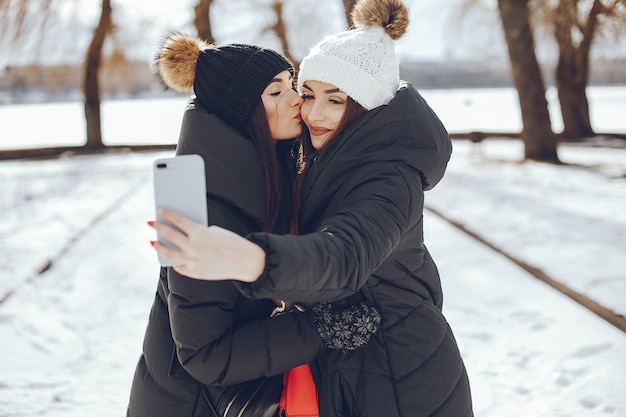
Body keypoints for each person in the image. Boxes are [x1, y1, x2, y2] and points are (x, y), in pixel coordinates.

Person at [150, 0, 475, 415]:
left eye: (336, 101)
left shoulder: (389, 178)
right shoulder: (301, 163)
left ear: (364, 105)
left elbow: (344, 253)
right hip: (344, 373)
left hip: (401, 375)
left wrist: (254, 261)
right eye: (306, 94)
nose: (311, 111)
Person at [127, 33, 331, 417]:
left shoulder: (272, 177)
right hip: (190, 404)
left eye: (291, 84)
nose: (296, 99)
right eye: (275, 93)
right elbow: (206, 354)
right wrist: (322, 330)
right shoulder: (200, 209)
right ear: (240, 112)